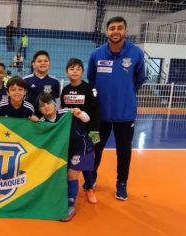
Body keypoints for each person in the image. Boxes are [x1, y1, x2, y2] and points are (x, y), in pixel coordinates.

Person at [87, 16, 146, 201]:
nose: (115, 31)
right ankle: (91, 177)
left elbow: (140, 79)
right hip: (99, 115)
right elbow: (91, 79)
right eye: (112, 28)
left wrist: (126, 93)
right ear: (107, 32)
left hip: (125, 114)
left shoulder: (136, 53)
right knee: (94, 147)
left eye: (120, 28)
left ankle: (121, 183)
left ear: (125, 31)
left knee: (124, 151)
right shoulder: (96, 54)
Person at [38, 93, 93, 221]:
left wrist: (79, 113)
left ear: (55, 104)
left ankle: (70, 205)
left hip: (81, 147)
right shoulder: (41, 122)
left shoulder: (66, 113)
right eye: (42, 105)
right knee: (60, 175)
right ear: (39, 109)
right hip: (63, 151)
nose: (46, 107)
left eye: (48, 103)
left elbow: (87, 119)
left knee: (72, 175)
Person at [61, 58, 100, 204]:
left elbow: (96, 112)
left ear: (82, 72)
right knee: (74, 161)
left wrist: (95, 133)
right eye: (71, 69)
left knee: (87, 162)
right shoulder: (65, 90)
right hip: (71, 133)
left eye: (78, 69)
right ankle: (69, 190)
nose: (75, 71)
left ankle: (89, 188)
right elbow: (64, 112)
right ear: (67, 72)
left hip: (88, 132)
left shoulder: (90, 89)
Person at [24, 50, 60, 117]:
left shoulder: (55, 81)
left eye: (45, 61)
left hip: (49, 118)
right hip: (31, 117)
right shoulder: (26, 80)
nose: (43, 63)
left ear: (50, 64)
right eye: (39, 61)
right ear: (33, 64)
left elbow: (57, 101)